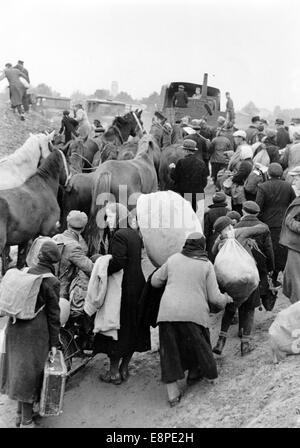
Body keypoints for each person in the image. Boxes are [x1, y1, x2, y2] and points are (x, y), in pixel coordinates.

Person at [151, 233, 231, 406]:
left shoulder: (173, 259)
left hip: (167, 313)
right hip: (194, 314)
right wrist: (226, 299)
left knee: (169, 353)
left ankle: (173, 396)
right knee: (200, 347)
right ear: (202, 247)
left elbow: (155, 282)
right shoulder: (206, 265)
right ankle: (206, 377)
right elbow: (215, 298)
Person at [0, 240, 61, 428]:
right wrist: (54, 344)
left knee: (20, 373)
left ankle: (20, 415)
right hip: (34, 333)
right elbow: (53, 316)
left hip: (14, 328)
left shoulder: (24, 272)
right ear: (54, 261)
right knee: (30, 376)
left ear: (39, 255)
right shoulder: (51, 281)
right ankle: (26, 422)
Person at [90, 202, 148, 385]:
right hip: (138, 286)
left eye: (110, 216)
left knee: (116, 328)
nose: (107, 220)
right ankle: (124, 367)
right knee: (132, 327)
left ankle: (113, 372)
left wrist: (101, 263)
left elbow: (118, 263)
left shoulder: (118, 236)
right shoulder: (134, 234)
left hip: (123, 289)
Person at [212, 202, 274, 356]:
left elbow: (213, 253)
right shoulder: (239, 232)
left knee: (230, 309)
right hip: (247, 278)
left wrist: (220, 238)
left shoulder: (219, 240)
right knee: (249, 310)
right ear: (230, 226)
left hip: (230, 282)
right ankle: (245, 344)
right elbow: (264, 228)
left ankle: (221, 340)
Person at [256, 163, 296, 287]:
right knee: (283, 250)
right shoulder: (288, 186)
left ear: (269, 173)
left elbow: (258, 206)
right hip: (284, 224)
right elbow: (293, 203)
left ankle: (272, 277)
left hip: (268, 224)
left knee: (270, 251)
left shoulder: (263, 187)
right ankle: (284, 277)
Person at [52, 211, 94, 300]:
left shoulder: (55, 238)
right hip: (62, 294)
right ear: (83, 228)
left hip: (49, 288)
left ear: (67, 224)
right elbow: (91, 269)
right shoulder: (74, 247)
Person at [169, 139, 209, 220]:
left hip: (186, 194)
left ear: (186, 150)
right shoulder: (201, 163)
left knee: (187, 218)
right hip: (199, 194)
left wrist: (172, 169)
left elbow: (175, 177)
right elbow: (205, 181)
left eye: (183, 149)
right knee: (199, 218)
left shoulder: (181, 162)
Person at [280, 191, 300, 303]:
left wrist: (290, 222)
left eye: (296, 179)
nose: (295, 182)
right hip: (296, 246)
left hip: (297, 247)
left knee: (295, 279)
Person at [204, 192, 229, 261]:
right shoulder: (229, 211)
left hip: (212, 240)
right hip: (226, 239)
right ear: (224, 200)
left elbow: (206, 231)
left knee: (213, 259)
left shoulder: (208, 213)